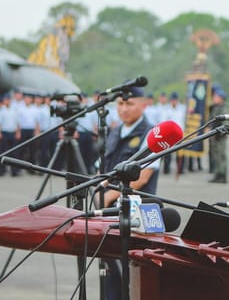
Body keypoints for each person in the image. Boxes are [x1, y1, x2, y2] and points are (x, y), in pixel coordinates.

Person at [97, 86, 160, 300]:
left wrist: (106, 197)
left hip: (137, 218)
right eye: (120, 104)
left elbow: (142, 177)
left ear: (144, 104)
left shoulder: (152, 135)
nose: (124, 109)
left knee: (133, 278)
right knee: (109, 274)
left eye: (130, 103)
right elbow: (102, 170)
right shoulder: (113, 132)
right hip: (110, 216)